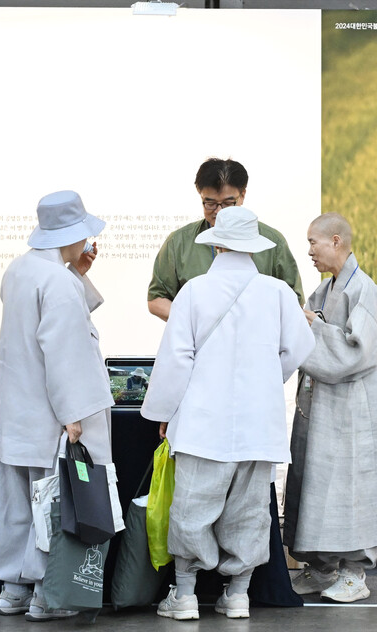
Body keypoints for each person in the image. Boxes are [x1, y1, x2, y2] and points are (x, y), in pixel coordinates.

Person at [141, 207, 315, 620]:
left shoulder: (194, 292)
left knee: (192, 508)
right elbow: (300, 348)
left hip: (203, 423)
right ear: (253, 247)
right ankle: (237, 595)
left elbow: (176, 359)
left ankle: (184, 596)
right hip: (259, 426)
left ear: (217, 243)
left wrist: (164, 411)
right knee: (250, 511)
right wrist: (269, 380)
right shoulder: (276, 293)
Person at [0, 190, 114, 622]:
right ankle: (46, 595)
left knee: (16, 506)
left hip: (14, 412)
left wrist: (75, 271)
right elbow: (63, 351)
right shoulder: (56, 281)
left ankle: (11, 592)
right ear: (72, 235)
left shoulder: (20, 269)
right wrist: (72, 415)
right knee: (52, 507)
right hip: (49, 415)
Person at [283, 212, 377, 603]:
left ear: (335, 241)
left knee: (352, 487)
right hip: (324, 407)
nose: (309, 252)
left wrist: (312, 327)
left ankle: (355, 573)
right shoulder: (324, 290)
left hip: (355, 409)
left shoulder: (363, 289)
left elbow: (356, 351)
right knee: (320, 485)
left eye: (313, 243)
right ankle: (322, 568)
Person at [147, 157, 303, 321]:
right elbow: (157, 299)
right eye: (210, 203)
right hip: (200, 344)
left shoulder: (272, 241)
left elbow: (294, 302)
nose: (219, 211)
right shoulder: (178, 242)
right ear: (201, 196)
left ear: (242, 195)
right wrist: (193, 323)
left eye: (228, 203)